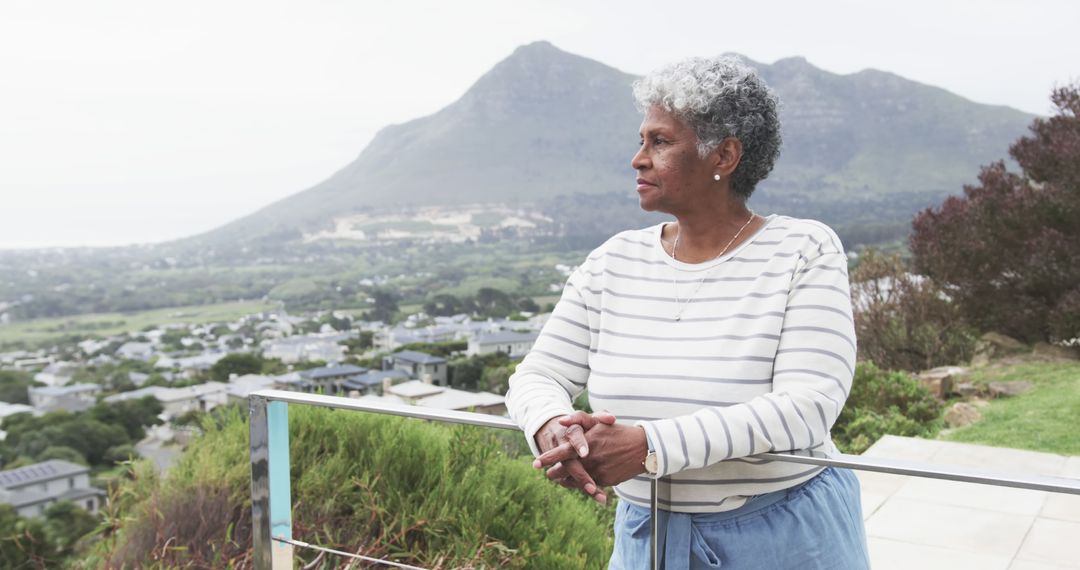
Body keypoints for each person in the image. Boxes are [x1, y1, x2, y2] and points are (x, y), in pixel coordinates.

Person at [505, 55, 870, 569]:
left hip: (781, 535)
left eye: (660, 141)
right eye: (641, 140)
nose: (638, 158)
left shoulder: (803, 250)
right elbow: (537, 375)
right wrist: (552, 426)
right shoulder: (612, 262)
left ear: (723, 155)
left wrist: (649, 446)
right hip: (646, 533)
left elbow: (809, 404)